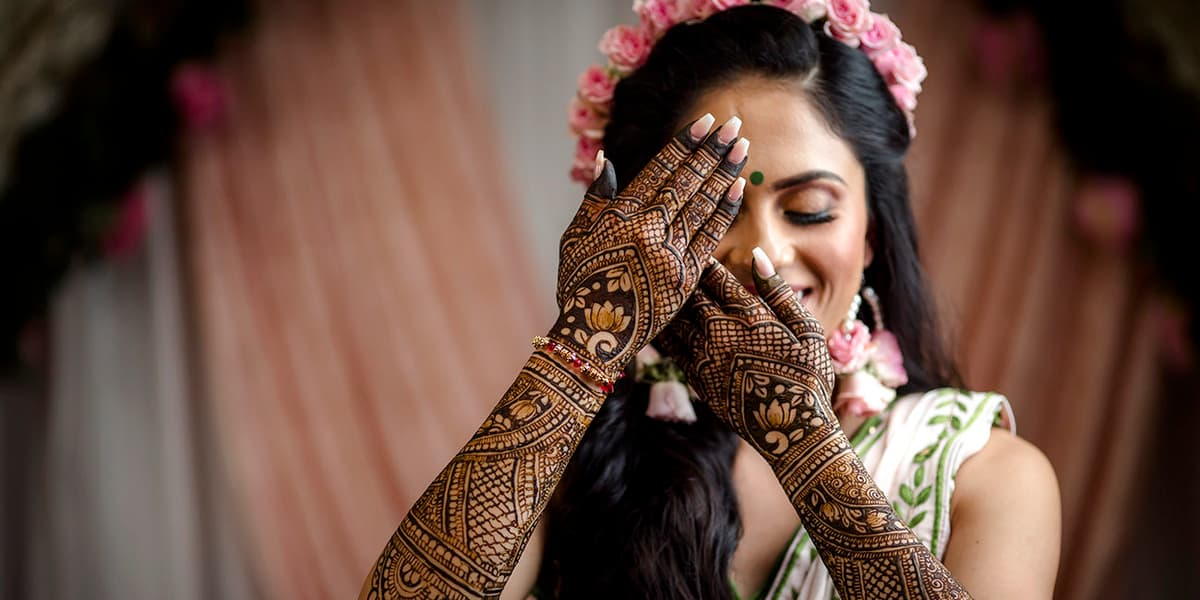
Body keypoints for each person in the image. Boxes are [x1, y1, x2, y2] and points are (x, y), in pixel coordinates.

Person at [359, 3, 1060, 599]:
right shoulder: (568, 447)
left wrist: (800, 442)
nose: (764, 256)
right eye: (712, 214)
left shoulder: (982, 475)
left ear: (873, 233)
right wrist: (581, 346)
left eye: (811, 209)